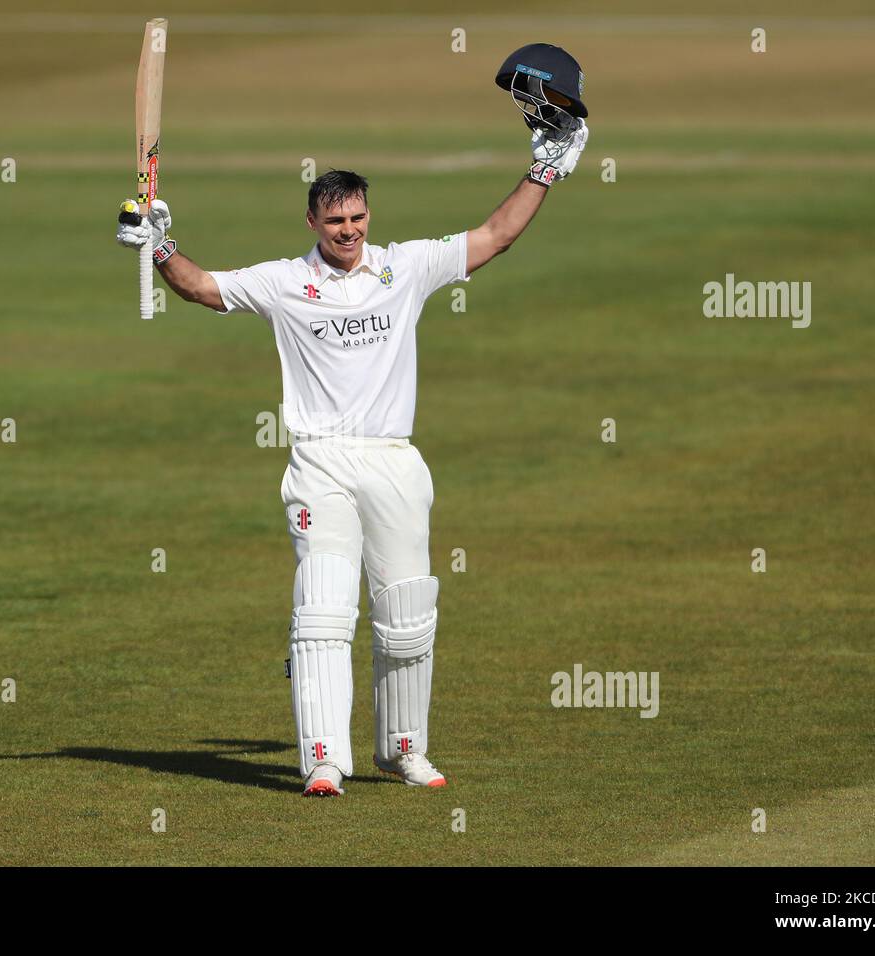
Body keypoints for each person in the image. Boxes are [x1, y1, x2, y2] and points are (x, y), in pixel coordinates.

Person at [116, 44, 588, 796]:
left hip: (395, 459)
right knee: (323, 614)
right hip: (321, 462)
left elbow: (495, 235)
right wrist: (160, 244)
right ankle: (323, 761)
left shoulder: (404, 269)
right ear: (313, 219)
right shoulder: (283, 283)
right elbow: (202, 288)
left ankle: (404, 749)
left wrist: (545, 170)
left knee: (406, 613)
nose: (348, 230)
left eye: (358, 217)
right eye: (336, 219)